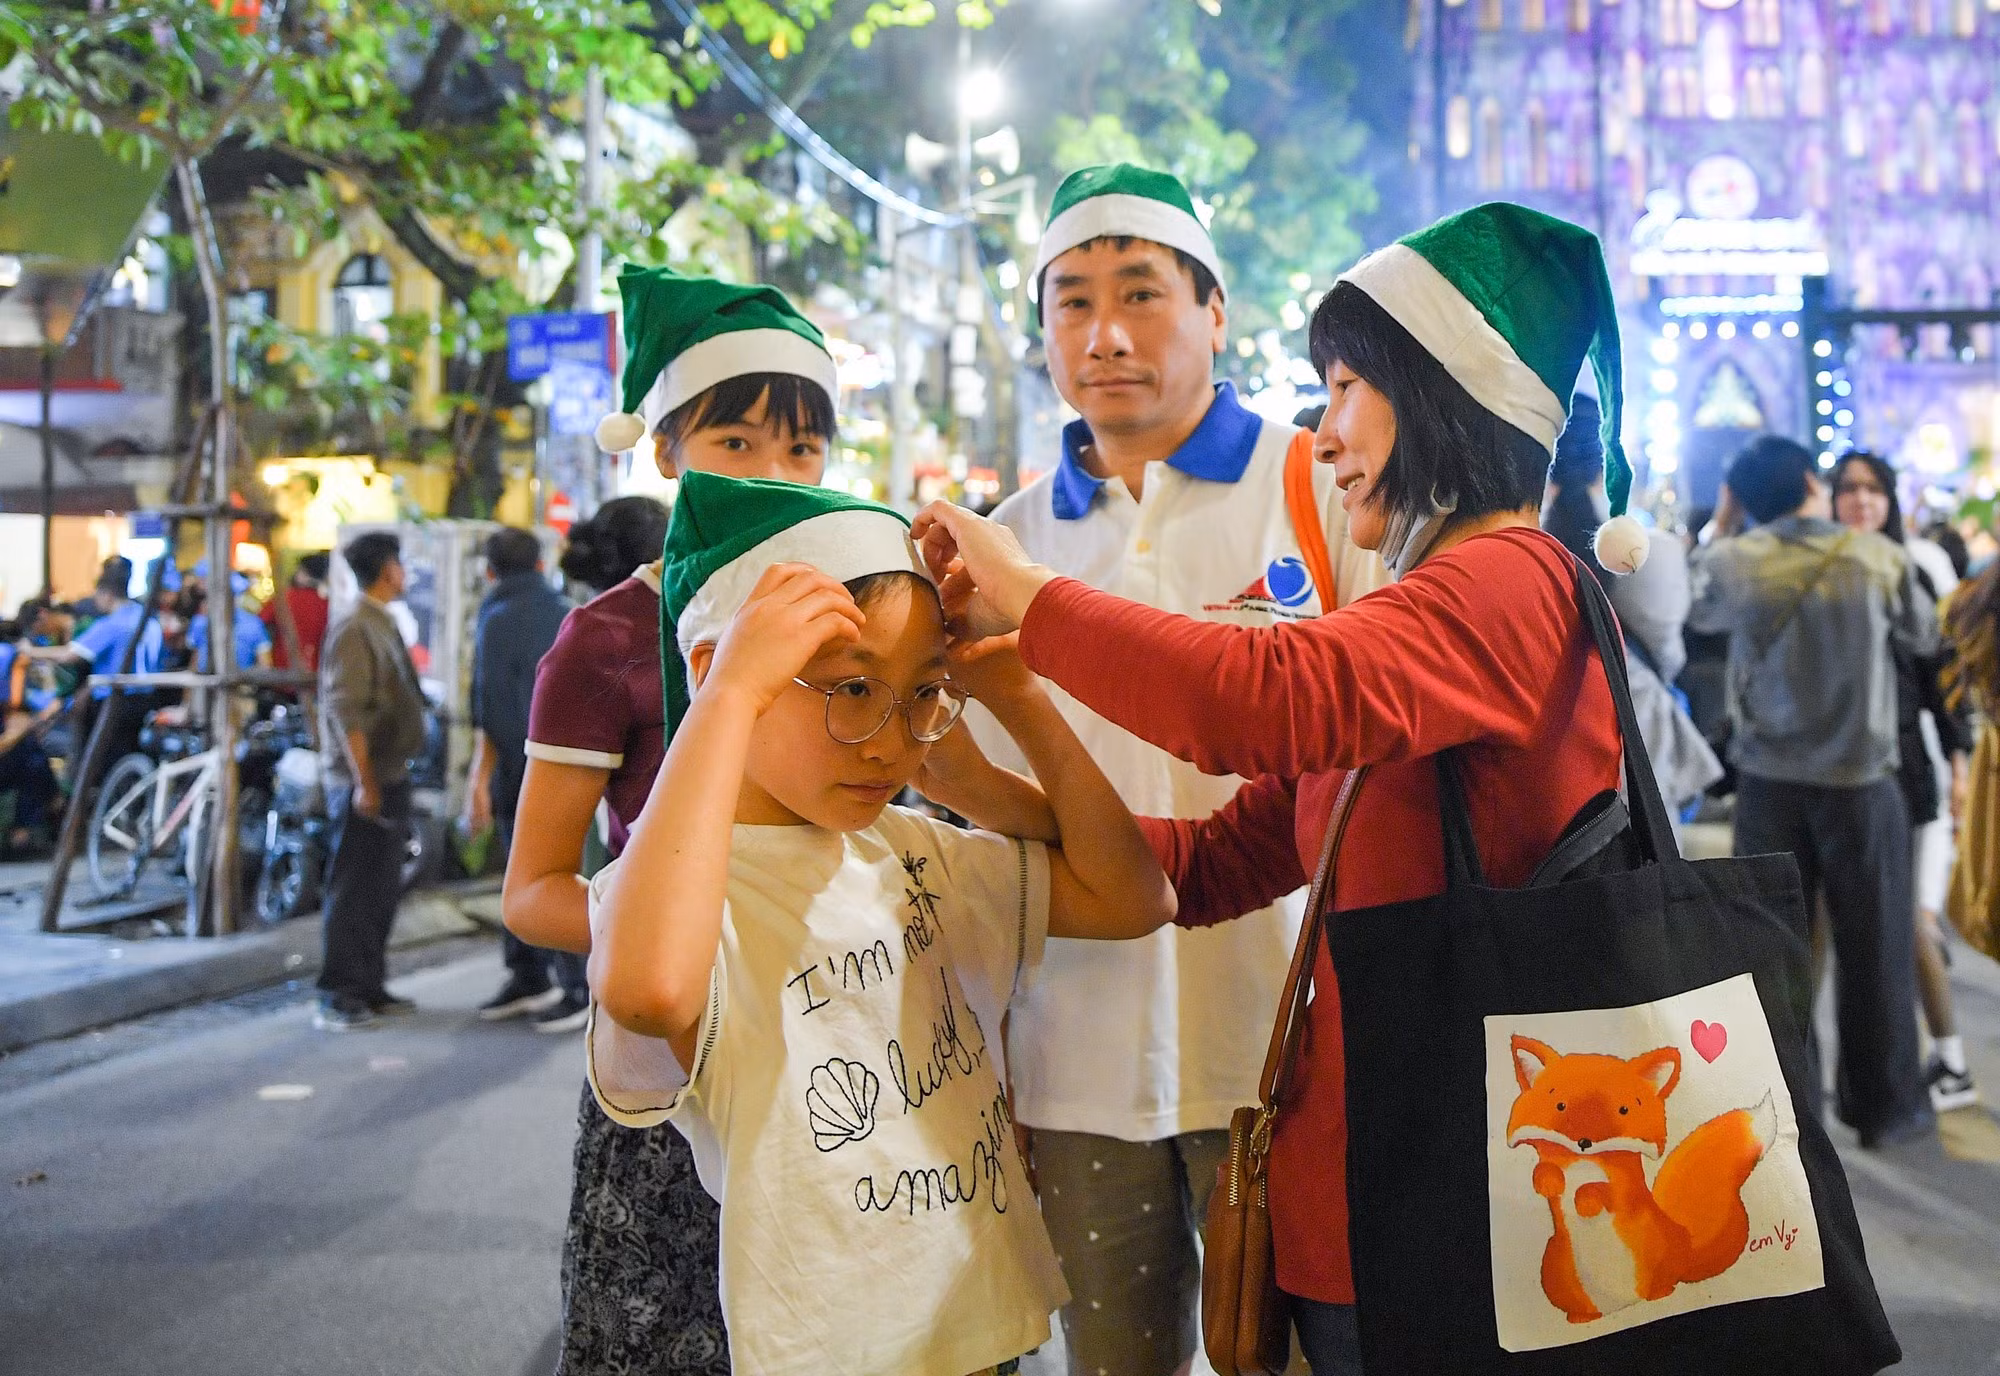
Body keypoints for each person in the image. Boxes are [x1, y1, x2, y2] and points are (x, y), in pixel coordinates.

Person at [915, 202, 1636, 1376]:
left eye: (1349, 385)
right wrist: (972, 767)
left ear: (1445, 395)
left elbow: (1263, 698)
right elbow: (1193, 870)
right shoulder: (1419, 611)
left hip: (1463, 1192)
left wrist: (1027, 599)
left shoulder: (1508, 578)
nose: (1326, 428)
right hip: (1370, 1184)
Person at [587, 472, 1176, 1376]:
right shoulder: (676, 893)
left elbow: (1136, 896)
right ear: (713, 672)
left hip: (980, 1323)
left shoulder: (914, 851)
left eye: (922, 694)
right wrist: (728, 696)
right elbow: (648, 989)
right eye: (852, 690)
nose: (891, 741)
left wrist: (1015, 707)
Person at [969, 162, 1385, 1376]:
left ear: (1215, 312)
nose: (1103, 335)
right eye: (1070, 302)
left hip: (1287, 1048)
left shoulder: (1314, 488)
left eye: (1141, 294)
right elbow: (1000, 829)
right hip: (1072, 1056)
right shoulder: (1008, 540)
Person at [502, 265, 840, 1375]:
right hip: (667, 1069)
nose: (776, 476)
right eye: (736, 443)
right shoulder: (602, 639)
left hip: (837, 1047)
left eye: (801, 451)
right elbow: (531, 889)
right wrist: (673, 935)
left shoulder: (849, 610)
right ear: (665, 451)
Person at [1688, 436, 1937, 1146]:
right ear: (1809, 479)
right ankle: (1886, 1107)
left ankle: (1792, 1114)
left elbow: (1699, 617)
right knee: (1878, 949)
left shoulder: (1733, 561)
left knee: (1775, 950)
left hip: (1770, 785)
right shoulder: (1876, 557)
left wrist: (1725, 522)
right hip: (1863, 784)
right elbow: (1922, 636)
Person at [1830, 451, 1977, 1112]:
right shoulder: (1821, 567)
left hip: (1909, 770)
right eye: (1848, 489)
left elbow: (1940, 677)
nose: (1861, 500)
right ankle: (1870, 1077)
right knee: (1856, 929)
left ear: (1889, 498)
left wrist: (1961, 761)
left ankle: (1949, 1060)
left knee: (1913, 920)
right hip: (1839, 777)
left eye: (1872, 489)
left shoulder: (1914, 566)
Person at [1543, 394, 1720, 819]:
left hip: (1549, 745)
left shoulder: (1518, 545)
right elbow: (1669, 655)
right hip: (1634, 728)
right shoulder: (1651, 548)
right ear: (1612, 454)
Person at [465, 526, 588, 1031]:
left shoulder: (495, 618)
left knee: (523, 874)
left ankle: (547, 978)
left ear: (491, 570)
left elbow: (488, 706)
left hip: (519, 768)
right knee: (566, 871)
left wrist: (478, 779)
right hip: (578, 766)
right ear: (539, 564)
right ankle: (559, 979)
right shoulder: (567, 613)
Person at [314, 530, 428, 1031]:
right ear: (387, 570)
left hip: (389, 772)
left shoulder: (380, 622)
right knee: (355, 886)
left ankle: (370, 983)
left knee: (380, 887)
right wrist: (363, 782)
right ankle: (340, 991)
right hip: (366, 779)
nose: (404, 574)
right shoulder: (355, 626)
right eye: (400, 565)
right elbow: (347, 712)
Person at [186, 568, 273, 672]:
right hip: (205, 682)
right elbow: (195, 661)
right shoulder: (200, 622)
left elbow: (265, 665)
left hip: (241, 683)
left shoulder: (253, 624)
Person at [263, 552, 333, 673]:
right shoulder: (328, 605)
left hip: (281, 674)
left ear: (303, 573)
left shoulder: (284, 599)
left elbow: (258, 624)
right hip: (317, 675)